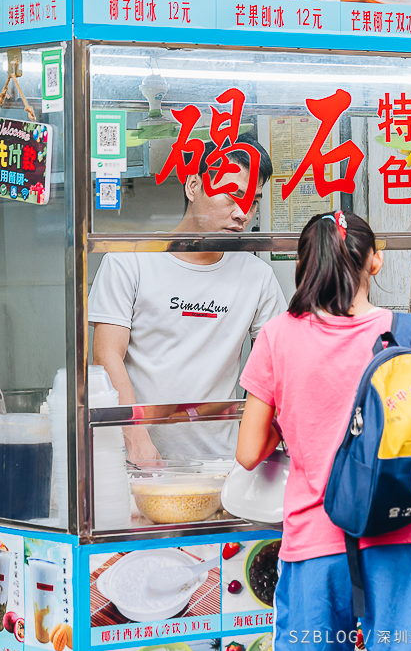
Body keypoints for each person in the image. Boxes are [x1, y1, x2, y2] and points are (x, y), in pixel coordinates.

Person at [236, 211, 411, 651]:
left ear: (305, 263)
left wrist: (287, 419)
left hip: (314, 546)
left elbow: (249, 451)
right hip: (398, 538)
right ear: (374, 262)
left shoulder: (277, 336)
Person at [89, 133, 286, 461]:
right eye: (233, 195)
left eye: (254, 201)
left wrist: (261, 447)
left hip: (224, 464)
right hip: (140, 461)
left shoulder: (257, 276)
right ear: (193, 186)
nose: (244, 213)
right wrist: (137, 442)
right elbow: (107, 356)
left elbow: (278, 368)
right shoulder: (129, 260)